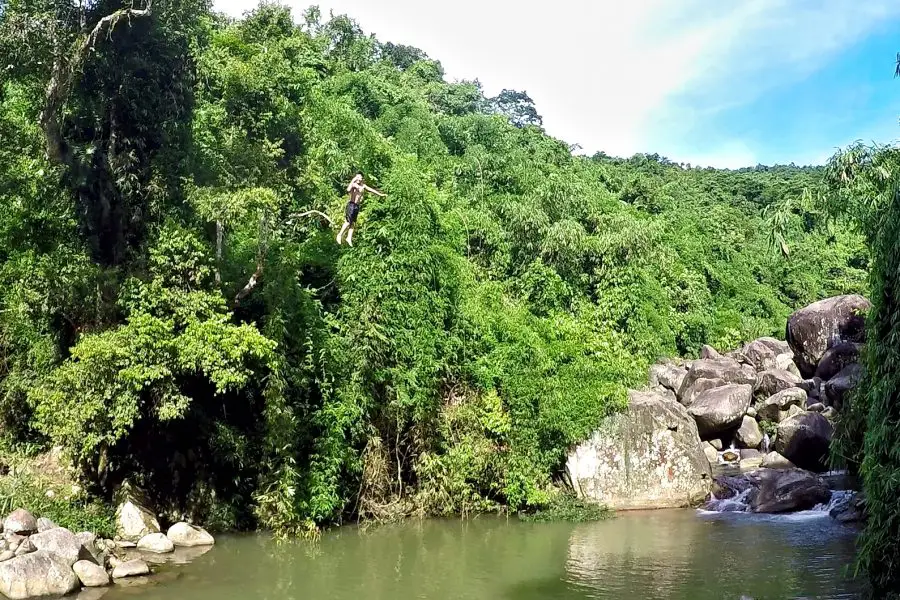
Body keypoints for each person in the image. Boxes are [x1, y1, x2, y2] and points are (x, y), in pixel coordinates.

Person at [336, 173, 385, 246]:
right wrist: (353, 180)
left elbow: (371, 190)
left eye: (360, 177)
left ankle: (349, 238)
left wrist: (381, 194)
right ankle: (339, 235)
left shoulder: (363, 186)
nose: (359, 179)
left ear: (362, 179)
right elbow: (348, 189)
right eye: (357, 177)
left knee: (353, 223)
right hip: (351, 205)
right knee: (348, 222)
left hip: (356, 206)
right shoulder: (353, 185)